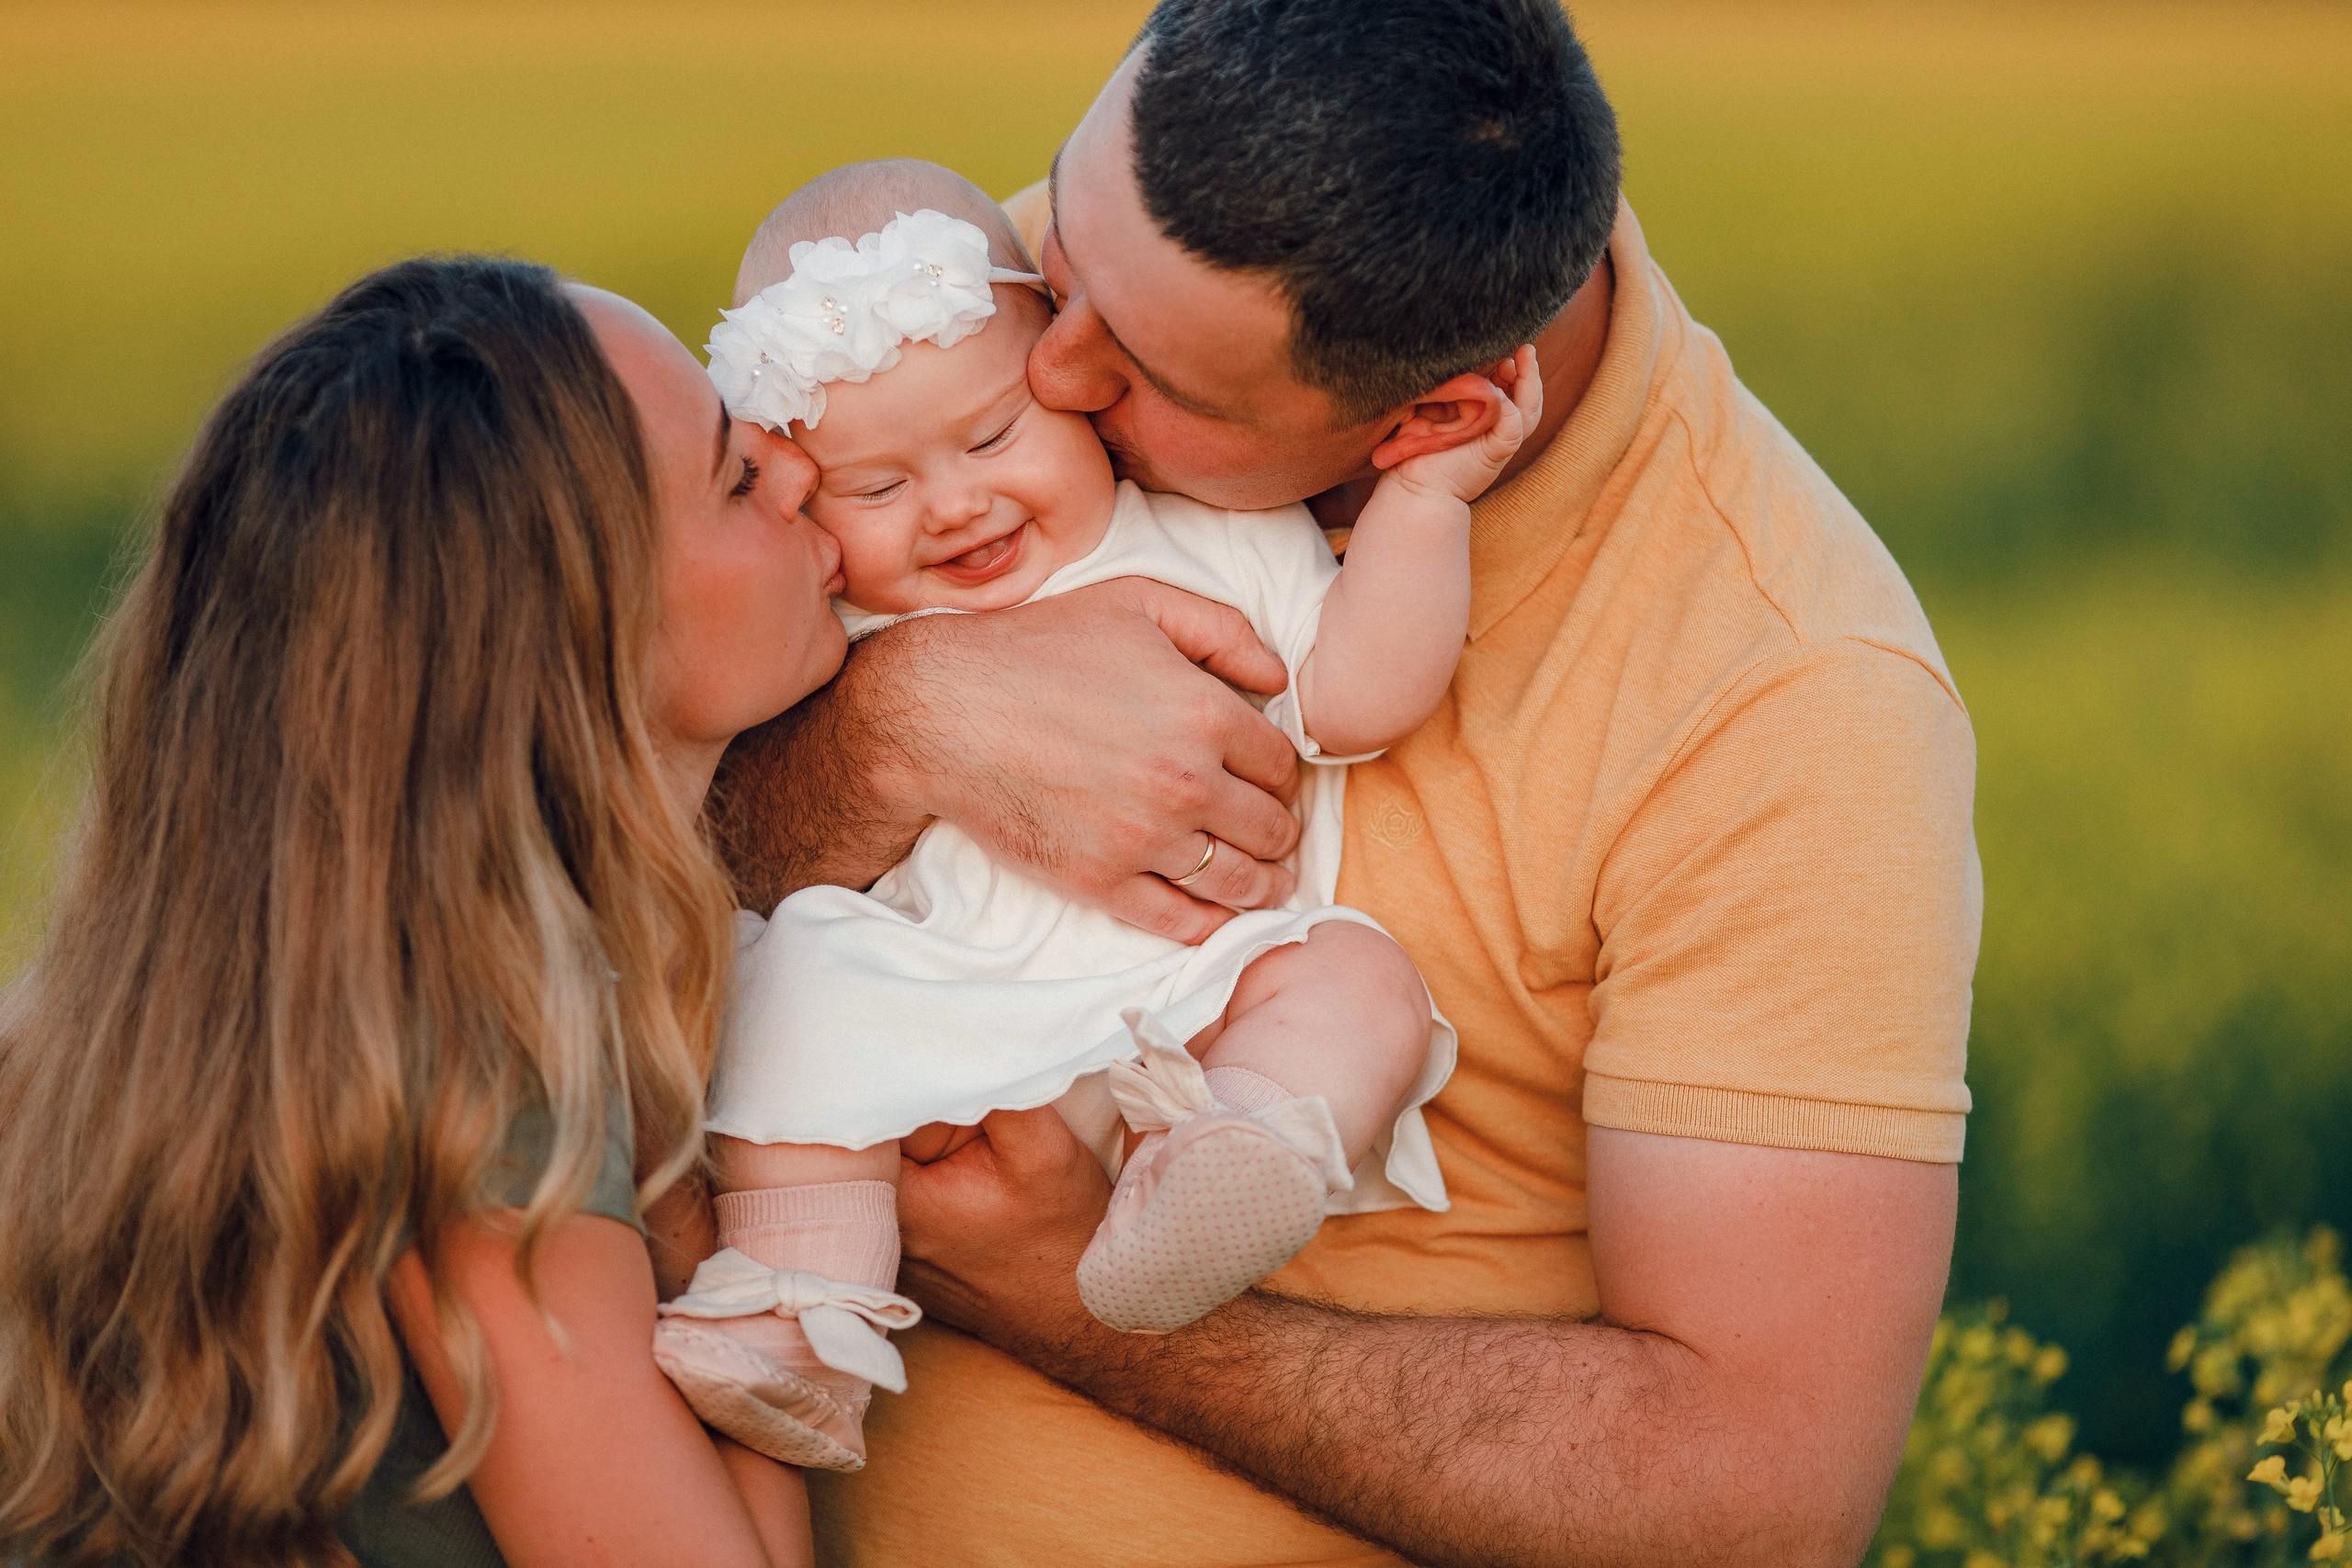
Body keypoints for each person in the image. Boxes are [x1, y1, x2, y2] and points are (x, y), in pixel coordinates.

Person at [715, 2, 1980, 1565]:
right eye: (1064, 249)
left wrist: (1062, 1295)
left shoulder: (1785, 704)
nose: (1046, 357)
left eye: (1138, 364)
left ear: (1436, 422)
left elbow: (1748, 1499)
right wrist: (898, 720)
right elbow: (593, 824)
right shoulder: (1054, 283)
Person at [649, 159, 1541, 1472]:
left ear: (1078, 394)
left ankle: (1232, 1161)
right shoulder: (838, 621)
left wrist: (1420, 510)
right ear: (806, 501)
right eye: (879, 488)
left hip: (1188, 995)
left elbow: (1355, 700)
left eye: (994, 436)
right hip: (918, 987)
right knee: (791, 1007)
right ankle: (798, 1313)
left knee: (1355, 980)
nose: (954, 502)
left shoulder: (1202, 540)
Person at [0, 255, 848, 1568]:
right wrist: (752, 1268)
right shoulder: (489, 1065)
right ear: (576, 640)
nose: (803, 471)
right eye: (737, 476)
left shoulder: (184, 1006)